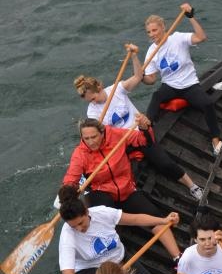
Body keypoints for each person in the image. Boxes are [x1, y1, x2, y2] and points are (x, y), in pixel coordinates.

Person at [74, 58, 203, 201]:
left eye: (93, 98)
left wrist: (134, 56)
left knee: (165, 163)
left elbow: (138, 76)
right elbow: (98, 134)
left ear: (99, 88)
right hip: (121, 142)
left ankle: (193, 186)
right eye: (89, 101)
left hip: (139, 134)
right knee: (119, 173)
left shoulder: (117, 89)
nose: (93, 102)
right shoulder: (92, 112)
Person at [63, 116, 182, 264]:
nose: (91, 142)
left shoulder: (116, 134)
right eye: (86, 138)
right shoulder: (80, 154)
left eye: (94, 137)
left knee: (155, 215)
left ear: (103, 132)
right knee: (101, 223)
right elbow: (71, 179)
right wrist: (68, 192)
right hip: (102, 191)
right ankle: (111, 257)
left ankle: (178, 258)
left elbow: (143, 140)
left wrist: (145, 128)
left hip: (126, 188)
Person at [57, 183, 179, 274]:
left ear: (87, 211)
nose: (79, 229)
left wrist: (163, 220)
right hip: (93, 270)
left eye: (81, 223)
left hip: (120, 258)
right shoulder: (67, 236)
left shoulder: (102, 212)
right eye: (74, 226)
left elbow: (135, 219)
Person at [142, 3, 222, 157]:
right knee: (156, 97)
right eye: (149, 32)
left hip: (189, 84)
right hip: (170, 85)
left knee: (207, 104)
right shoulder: (151, 52)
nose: (152, 34)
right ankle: (146, 131)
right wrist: (142, 77)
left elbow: (201, 37)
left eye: (154, 30)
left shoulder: (178, 38)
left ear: (163, 27)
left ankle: (215, 139)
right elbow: (151, 80)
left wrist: (191, 17)